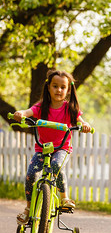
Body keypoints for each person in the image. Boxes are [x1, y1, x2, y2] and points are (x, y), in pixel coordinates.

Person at [14, 70, 91, 225]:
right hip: (43, 148)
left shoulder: (69, 108)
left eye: (63, 87)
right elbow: (28, 112)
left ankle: (64, 198)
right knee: (31, 174)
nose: (59, 90)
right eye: (55, 86)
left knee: (56, 166)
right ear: (48, 87)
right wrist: (21, 113)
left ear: (68, 90)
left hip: (62, 148)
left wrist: (85, 125)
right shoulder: (41, 107)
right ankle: (28, 209)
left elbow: (80, 120)